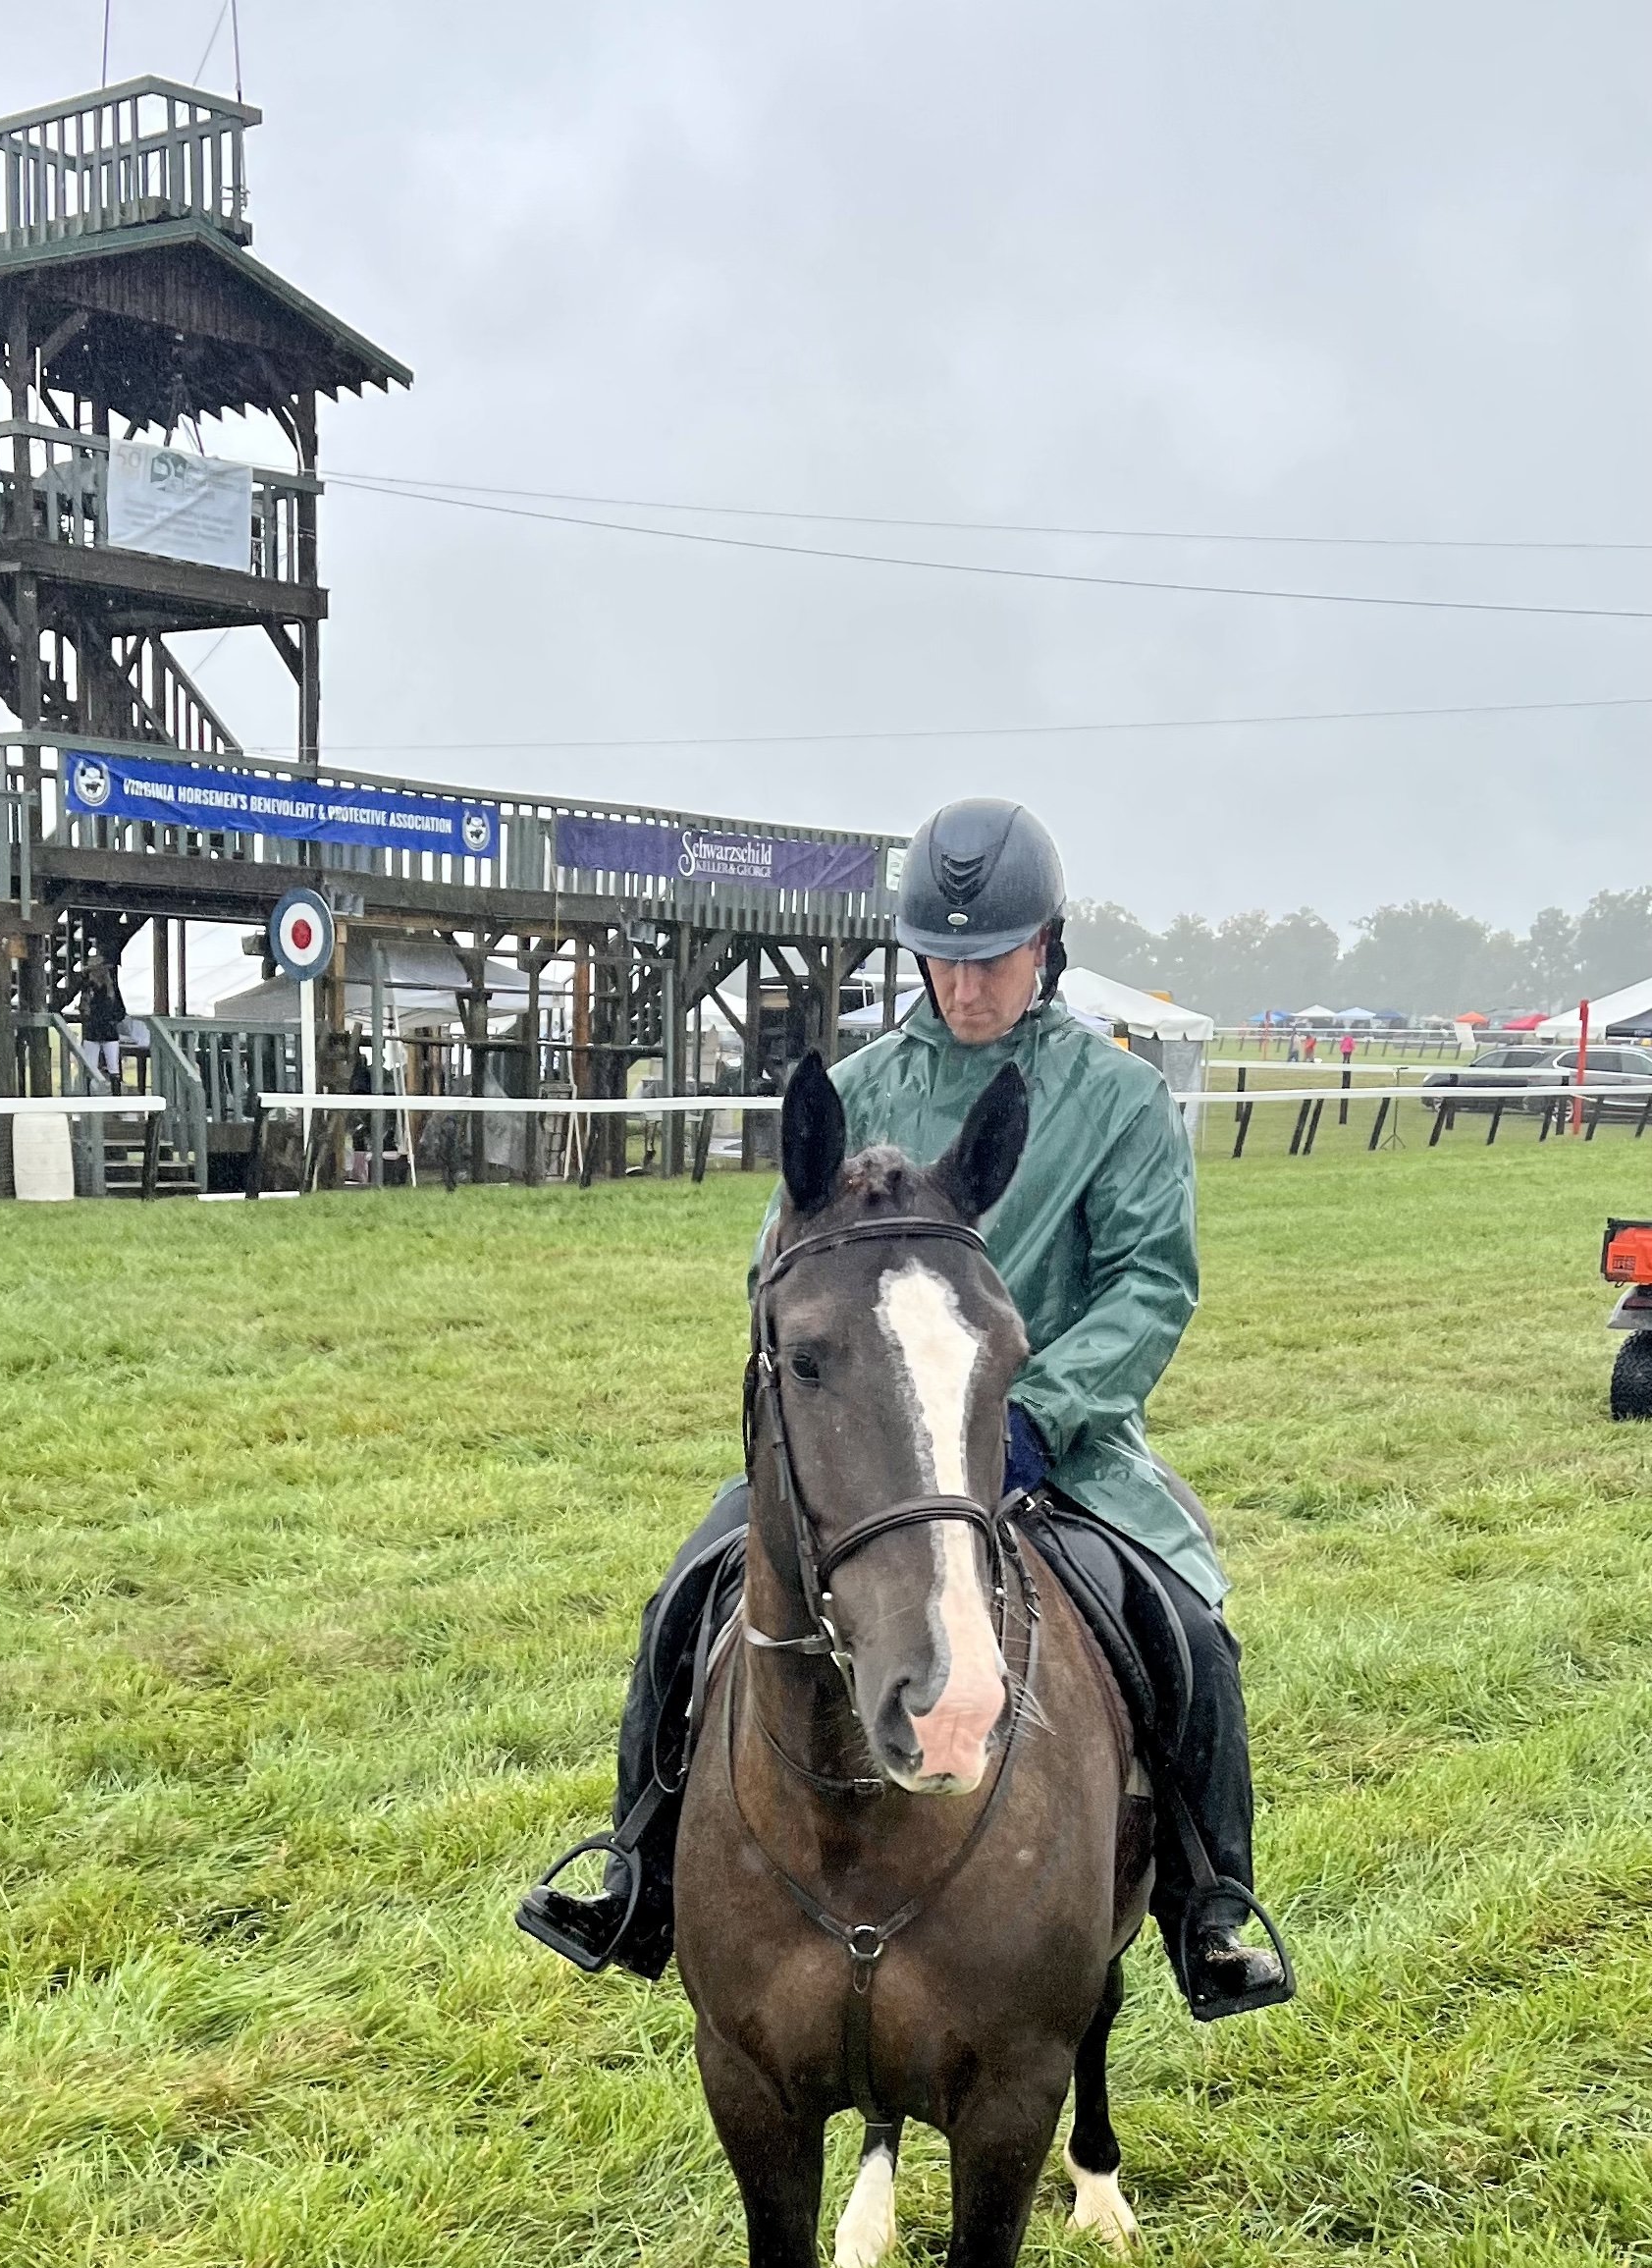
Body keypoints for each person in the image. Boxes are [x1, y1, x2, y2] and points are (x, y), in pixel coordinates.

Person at [519, 796, 1290, 2024]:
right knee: (685, 1598)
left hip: (1052, 1441)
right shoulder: (859, 1089)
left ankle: (1209, 1904)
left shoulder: (1116, 1101)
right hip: (870, 1448)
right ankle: (634, 1869)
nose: (964, 982)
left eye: (988, 958)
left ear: (1044, 947)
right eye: (940, 955)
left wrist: (1038, 1406)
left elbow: (1153, 1283)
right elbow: (774, 1266)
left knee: (1186, 1626)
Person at [82, 962, 129, 1090]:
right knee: (100, 1066)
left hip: (102, 1031)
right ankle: (98, 1092)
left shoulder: (106, 991)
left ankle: (97, 1093)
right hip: (101, 1031)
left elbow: (120, 1012)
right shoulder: (92, 990)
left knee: (110, 1066)